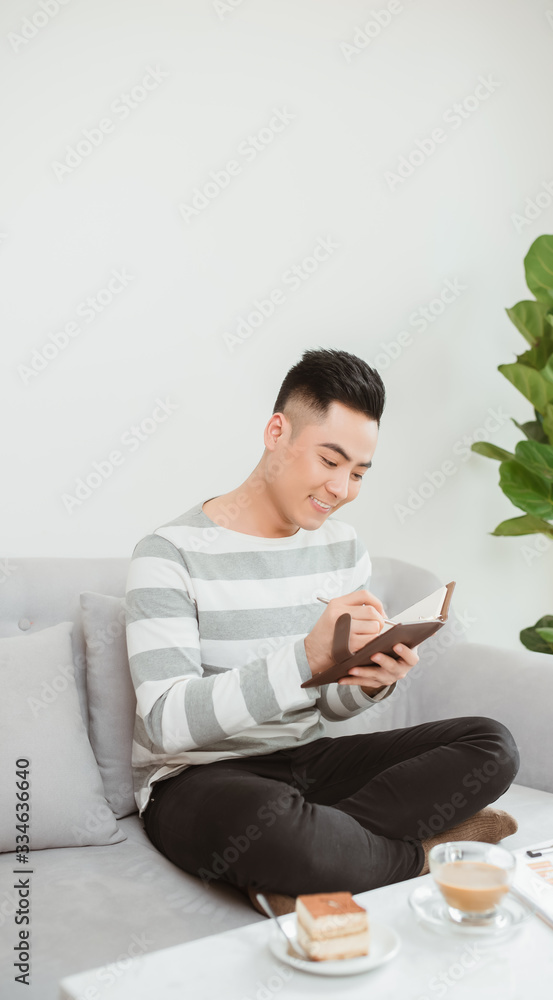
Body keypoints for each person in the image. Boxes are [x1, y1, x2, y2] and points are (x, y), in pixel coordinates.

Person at [124, 347, 519, 916]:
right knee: (280, 828)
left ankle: (321, 858)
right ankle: (418, 853)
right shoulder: (168, 554)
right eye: (330, 461)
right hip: (197, 779)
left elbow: (329, 705)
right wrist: (303, 659)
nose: (342, 488)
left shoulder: (341, 547)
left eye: (358, 472)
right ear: (277, 432)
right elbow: (166, 723)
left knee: (491, 746)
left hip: (306, 764)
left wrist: (368, 680)